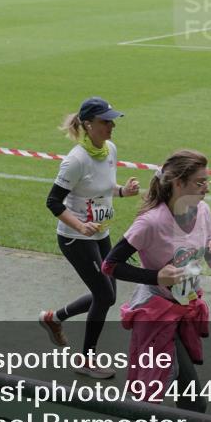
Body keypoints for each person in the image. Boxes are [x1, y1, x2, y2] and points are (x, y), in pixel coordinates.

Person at [101, 149, 211, 413]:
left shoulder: (202, 211)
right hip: (157, 313)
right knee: (179, 397)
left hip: (186, 308)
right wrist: (156, 276)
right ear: (178, 184)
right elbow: (110, 265)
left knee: (173, 391)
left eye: (207, 181)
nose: (207, 188)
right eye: (200, 182)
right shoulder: (151, 222)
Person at [41, 97, 140, 379]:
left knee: (106, 295)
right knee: (105, 295)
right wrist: (80, 226)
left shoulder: (110, 149)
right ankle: (86, 360)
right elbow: (53, 202)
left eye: (112, 121)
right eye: (105, 121)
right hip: (75, 238)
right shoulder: (76, 160)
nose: (111, 126)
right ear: (87, 125)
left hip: (100, 234)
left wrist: (123, 192)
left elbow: (103, 189)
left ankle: (54, 318)